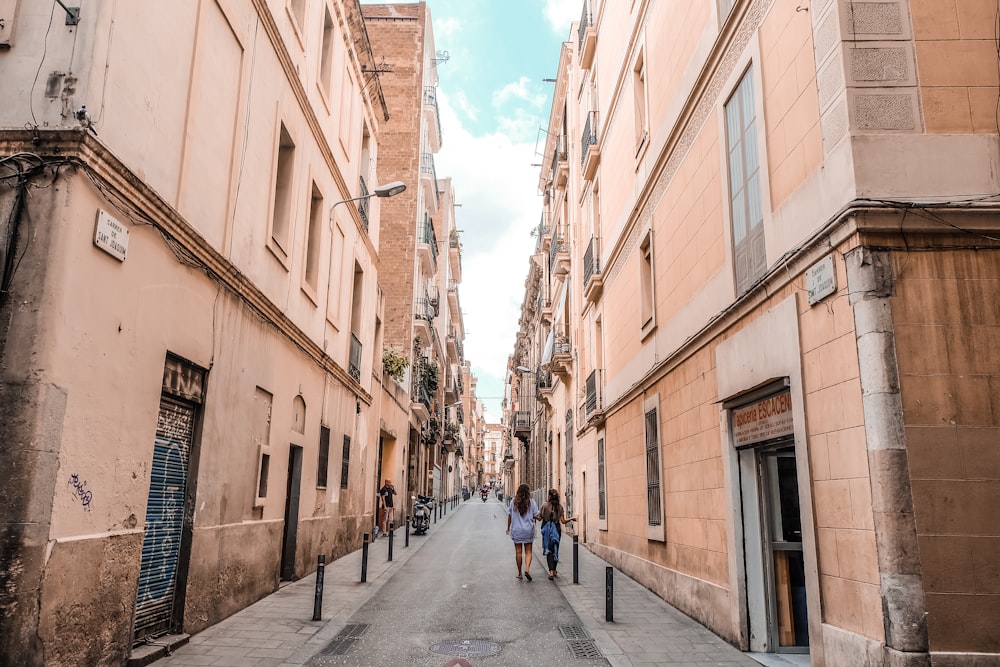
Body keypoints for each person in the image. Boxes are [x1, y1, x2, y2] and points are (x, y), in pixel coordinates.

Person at [506, 483, 541, 581]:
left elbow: (510, 515)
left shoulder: (513, 502)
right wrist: (539, 516)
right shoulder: (531, 502)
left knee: (518, 552)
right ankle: (527, 569)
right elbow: (537, 515)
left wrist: (508, 528)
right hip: (528, 530)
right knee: (529, 551)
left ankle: (520, 573)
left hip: (516, 530)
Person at [539, 488, 575, 580]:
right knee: (555, 549)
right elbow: (563, 521)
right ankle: (554, 570)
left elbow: (539, 518)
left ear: (549, 496)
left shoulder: (544, 506)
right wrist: (571, 519)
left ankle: (551, 572)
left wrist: (532, 516)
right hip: (556, 529)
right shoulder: (560, 507)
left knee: (548, 549)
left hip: (546, 530)